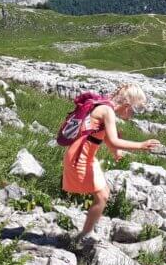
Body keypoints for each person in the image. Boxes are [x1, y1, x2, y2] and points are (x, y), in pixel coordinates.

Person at [61, 83, 160, 246]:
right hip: (80, 156)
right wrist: (141, 145)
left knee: (103, 194)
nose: (133, 116)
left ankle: (85, 232)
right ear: (127, 106)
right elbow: (114, 140)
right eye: (135, 111)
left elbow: (103, 135)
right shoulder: (107, 111)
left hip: (86, 156)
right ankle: (83, 236)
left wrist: (115, 152)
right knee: (101, 196)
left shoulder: (106, 107)